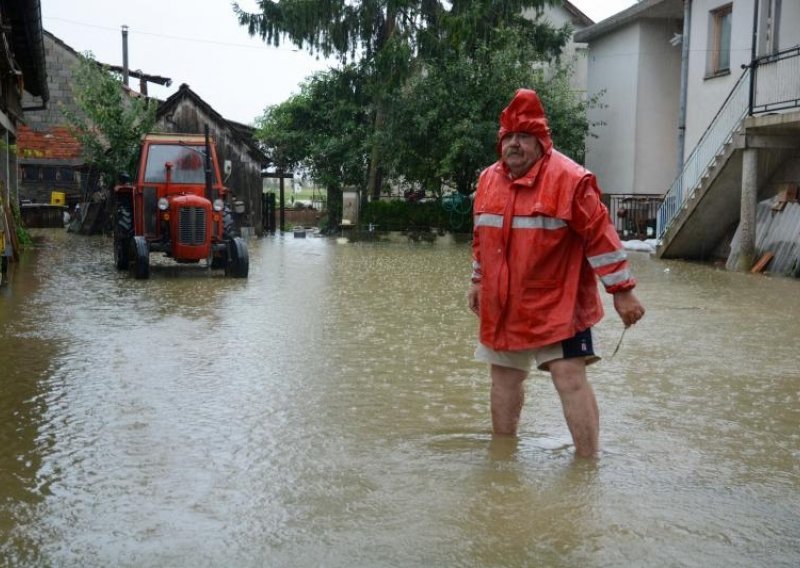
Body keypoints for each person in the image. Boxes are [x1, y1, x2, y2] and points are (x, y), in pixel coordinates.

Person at [467, 89, 645, 458]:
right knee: (503, 377)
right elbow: (480, 238)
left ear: (541, 141)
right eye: (509, 137)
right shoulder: (488, 180)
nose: (514, 144)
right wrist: (477, 280)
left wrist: (622, 290)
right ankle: (503, 458)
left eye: (524, 136)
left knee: (569, 377)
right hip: (503, 302)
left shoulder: (570, 179)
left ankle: (587, 464)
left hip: (558, 302)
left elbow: (601, 237)